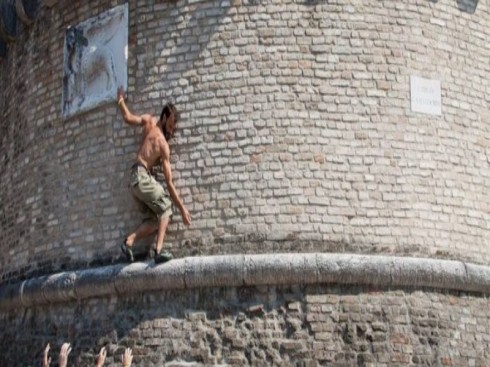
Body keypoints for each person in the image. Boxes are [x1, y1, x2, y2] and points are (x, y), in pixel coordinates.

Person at [117, 87, 191, 264]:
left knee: (155, 220)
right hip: (142, 177)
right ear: (164, 118)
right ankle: (158, 251)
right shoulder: (163, 145)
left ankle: (129, 242)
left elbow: (128, 117)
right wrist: (182, 209)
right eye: (171, 126)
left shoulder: (148, 121)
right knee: (166, 208)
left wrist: (120, 100)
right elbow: (169, 183)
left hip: (135, 179)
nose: (171, 132)